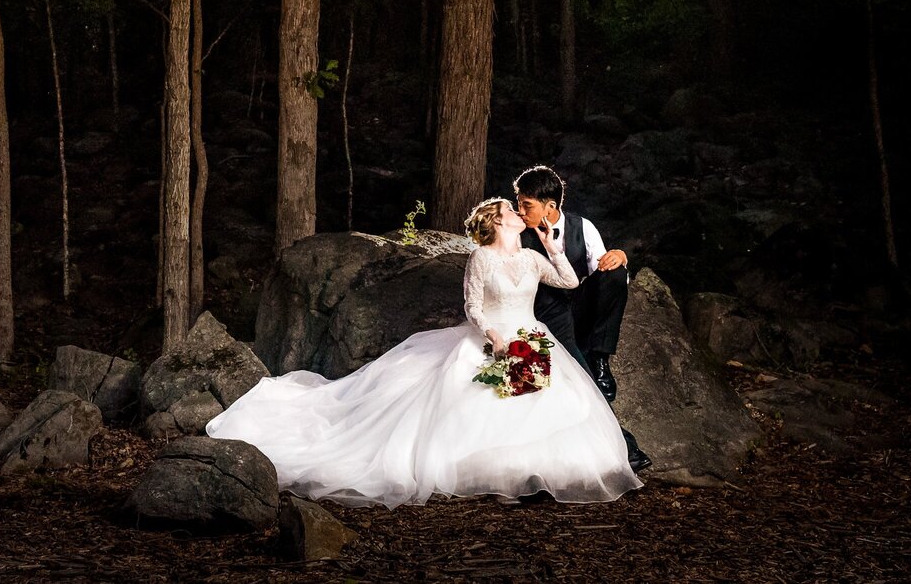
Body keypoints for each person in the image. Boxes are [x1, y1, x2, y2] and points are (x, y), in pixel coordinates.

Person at [203, 198, 642, 508]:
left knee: (549, 399)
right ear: (497, 223)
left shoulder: (530, 258)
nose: (516, 211)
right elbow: (471, 307)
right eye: (510, 210)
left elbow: (566, 281)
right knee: (472, 400)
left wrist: (551, 248)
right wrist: (493, 336)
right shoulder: (481, 259)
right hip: (494, 337)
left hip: (532, 338)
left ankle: (543, 472)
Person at [513, 164, 651, 473]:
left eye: (527, 205)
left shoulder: (583, 228)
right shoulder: (517, 235)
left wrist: (621, 257)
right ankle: (626, 449)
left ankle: (600, 356)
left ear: (551, 207)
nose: (519, 211)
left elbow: (603, 278)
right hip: (545, 318)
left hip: (578, 310)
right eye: (518, 203)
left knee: (615, 271)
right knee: (582, 383)